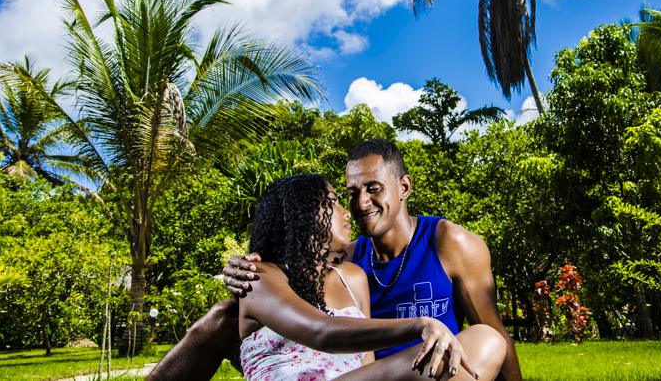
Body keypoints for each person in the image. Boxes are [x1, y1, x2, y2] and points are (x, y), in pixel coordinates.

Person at [148, 140, 521, 381]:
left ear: (404, 187)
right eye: (349, 194)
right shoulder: (349, 258)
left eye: (373, 189)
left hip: (421, 370)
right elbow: (299, 283)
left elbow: (496, 331)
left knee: (487, 340)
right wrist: (239, 269)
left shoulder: (449, 243)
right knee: (223, 316)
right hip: (362, 370)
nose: (358, 205)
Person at [229, 173, 505, 381]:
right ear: (301, 215)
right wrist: (420, 325)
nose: (348, 210)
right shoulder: (257, 275)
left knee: (486, 340)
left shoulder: (352, 277)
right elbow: (321, 332)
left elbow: (367, 365)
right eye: (334, 202)